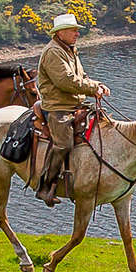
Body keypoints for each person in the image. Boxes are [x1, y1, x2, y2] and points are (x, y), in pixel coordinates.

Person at [35, 11, 110, 206]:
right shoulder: (53, 52)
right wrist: (94, 88)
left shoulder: (70, 49)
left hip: (74, 104)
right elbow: (65, 81)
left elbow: (81, 77)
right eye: (73, 30)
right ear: (60, 33)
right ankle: (45, 186)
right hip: (57, 107)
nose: (77, 34)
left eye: (77, 31)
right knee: (64, 144)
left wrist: (97, 85)